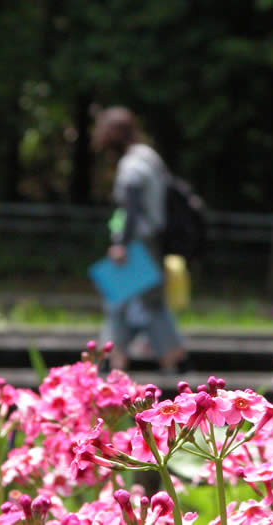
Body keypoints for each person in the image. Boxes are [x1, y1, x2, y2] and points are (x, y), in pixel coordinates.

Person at [92, 106, 187, 373]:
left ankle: (112, 362)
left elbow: (131, 209)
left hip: (137, 242)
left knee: (121, 301)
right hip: (151, 239)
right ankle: (167, 358)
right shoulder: (149, 156)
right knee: (140, 302)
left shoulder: (132, 164)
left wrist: (121, 243)